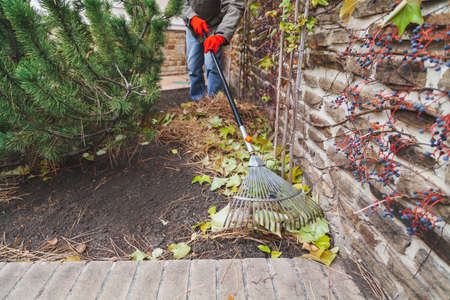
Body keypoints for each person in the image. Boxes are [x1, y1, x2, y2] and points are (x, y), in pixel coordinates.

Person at [182, 0, 244, 101]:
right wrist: (191, 17)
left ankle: (215, 104)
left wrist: (221, 35)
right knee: (193, 66)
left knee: (212, 66)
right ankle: (197, 102)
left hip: (215, 26)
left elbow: (235, 5)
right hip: (193, 26)